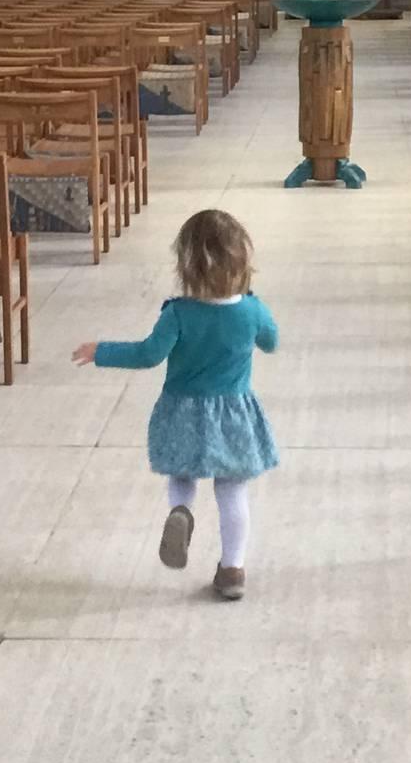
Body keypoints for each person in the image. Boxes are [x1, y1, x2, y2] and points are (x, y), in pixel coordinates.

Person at [73, 210, 279, 599]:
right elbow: (271, 342)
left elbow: (147, 355)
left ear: (186, 265)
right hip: (233, 412)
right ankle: (232, 569)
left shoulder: (179, 313)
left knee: (182, 474)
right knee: (233, 491)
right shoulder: (251, 310)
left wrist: (102, 351)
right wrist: (255, 317)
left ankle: (180, 512)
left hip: (183, 409)